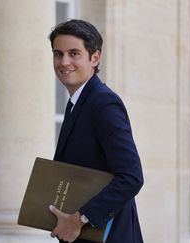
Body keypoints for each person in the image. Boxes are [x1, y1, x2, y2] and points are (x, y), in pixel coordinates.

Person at [48, 19, 144, 243]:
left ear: (94, 58)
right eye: (58, 54)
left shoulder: (103, 104)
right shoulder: (78, 102)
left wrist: (80, 219)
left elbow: (131, 177)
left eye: (74, 53)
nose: (64, 62)